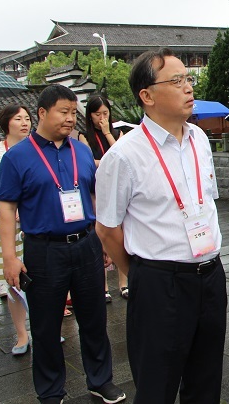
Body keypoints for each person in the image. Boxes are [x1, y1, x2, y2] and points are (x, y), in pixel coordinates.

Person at [95, 48, 226, 403]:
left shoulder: (199, 138)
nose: (188, 87)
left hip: (211, 277)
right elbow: (106, 229)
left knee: (206, 381)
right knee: (157, 387)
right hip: (159, 284)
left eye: (188, 78)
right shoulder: (123, 156)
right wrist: (138, 273)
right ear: (147, 96)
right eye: (177, 80)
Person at [0, 84, 125, 404]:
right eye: (63, 112)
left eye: (73, 112)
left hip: (85, 244)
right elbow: (7, 209)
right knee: (45, 324)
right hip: (44, 249)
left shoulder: (81, 150)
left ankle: (100, 380)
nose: (71, 119)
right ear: (42, 113)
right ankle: (51, 391)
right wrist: (10, 258)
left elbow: (94, 195)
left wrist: (103, 240)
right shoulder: (17, 157)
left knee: (95, 318)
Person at [0, 106, 32, 355]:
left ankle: (49, 329)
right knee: (14, 283)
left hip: (37, 222)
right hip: (8, 223)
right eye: (17, 119)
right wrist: (16, 210)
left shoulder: (38, 147)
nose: (24, 123)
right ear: (6, 123)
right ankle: (21, 334)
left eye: (27, 118)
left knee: (45, 278)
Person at [78, 94, 129, 302]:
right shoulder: (84, 136)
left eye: (105, 113)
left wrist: (109, 134)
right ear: (90, 116)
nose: (102, 118)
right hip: (97, 191)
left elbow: (123, 155)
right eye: (97, 114)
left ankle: (124, 283)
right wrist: (109, 160)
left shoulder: (119, 133)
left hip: (119, 189)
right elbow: (90, 163)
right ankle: (103, 285)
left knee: (124, 234)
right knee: (102, 237)